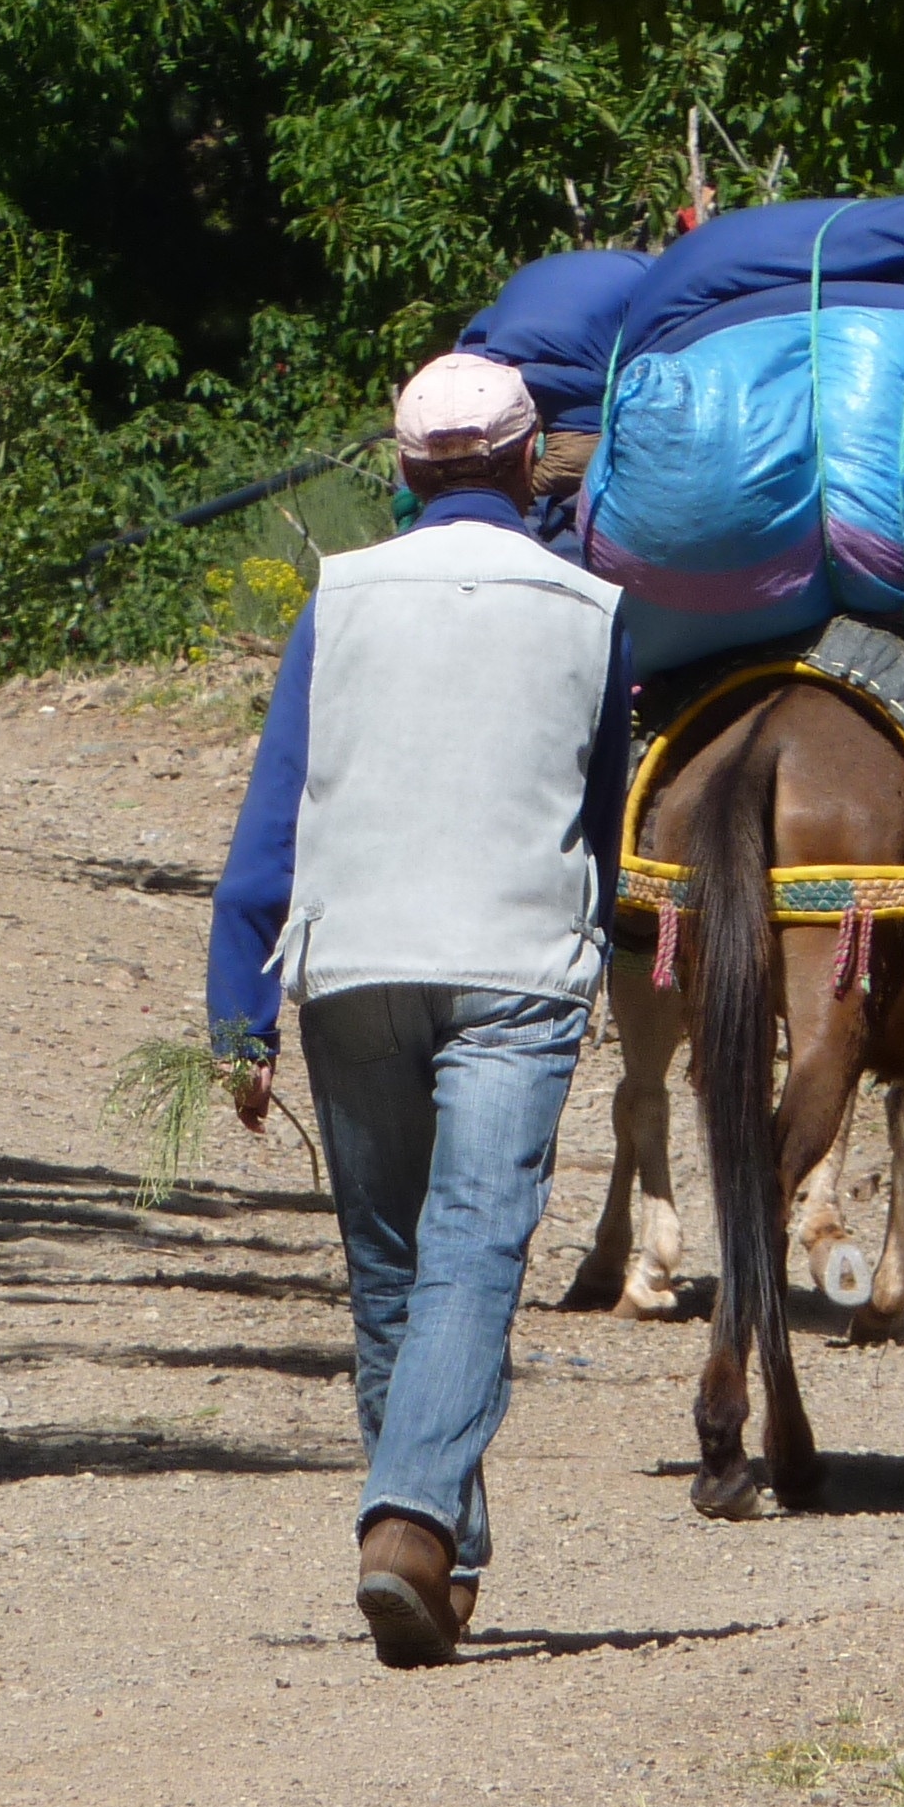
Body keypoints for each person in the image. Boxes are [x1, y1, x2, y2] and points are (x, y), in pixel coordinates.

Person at [205, 354, 633, 1668]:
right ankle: (408, 1521)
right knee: (475, 1251)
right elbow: (602, 818)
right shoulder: (592, 610)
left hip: (356, 960)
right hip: (516, 963)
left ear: (401, 472)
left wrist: (239, 1006)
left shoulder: (340, 600)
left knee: (392, 1260)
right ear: (527, 467)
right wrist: (599, 945)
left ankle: (438, 1558)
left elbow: (279, 808)